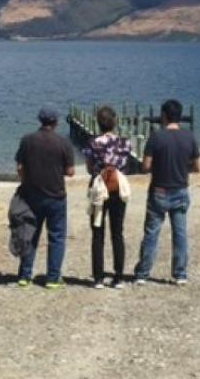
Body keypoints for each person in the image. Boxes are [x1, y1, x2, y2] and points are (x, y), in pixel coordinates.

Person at [134, 99, 200, 286]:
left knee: (151, 233)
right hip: (180, 189)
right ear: (180, 116)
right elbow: (198, 167)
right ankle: (180, 273)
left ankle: (143, 273)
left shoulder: (156, 137)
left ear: (163, 115)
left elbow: (146, 166)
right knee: (180, 233)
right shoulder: (189, 137)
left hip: (159, 190)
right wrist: (182, 166)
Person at [15, 107, 75, 289]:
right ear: (56, 122)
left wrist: (26, 182)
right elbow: (71, 171)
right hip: (56, 196)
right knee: (56, 237)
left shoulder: (27, 140)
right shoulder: (63, 142)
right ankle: (53, 277)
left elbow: (19, 167)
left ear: (40, 121)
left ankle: (25, 275)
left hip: (32, 195)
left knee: (30, 234)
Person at [83, 106, 132, 289]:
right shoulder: (125, 143)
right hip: (118, 186)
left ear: (98, 123)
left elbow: (89, 168)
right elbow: (126, 165)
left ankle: (98, 277)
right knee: (117, 232)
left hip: (99, 186)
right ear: (115, 122)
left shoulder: (93, 143)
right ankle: (118, 277)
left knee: (98, 232)